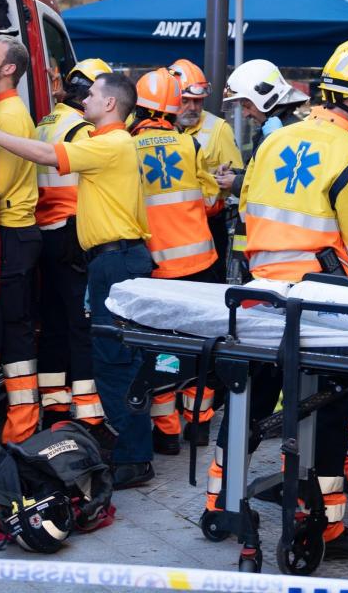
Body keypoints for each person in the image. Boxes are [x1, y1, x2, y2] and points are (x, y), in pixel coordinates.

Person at [205, 38, 348, 560]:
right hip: (323, 306)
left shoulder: (270, 143)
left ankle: (221, 503)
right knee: (329, 409)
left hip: (260, 296)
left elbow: (248, 214)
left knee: (252, 401)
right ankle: (327, 527)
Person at [0, 71, 158, 488]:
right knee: (115, 359)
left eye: (92, 94)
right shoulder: (108, 142)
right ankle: (130, 450)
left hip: (116, 262)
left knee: (115, 364)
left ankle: (132, 458)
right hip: (113, 260)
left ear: (110, 104)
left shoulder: (110, 144)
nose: (85, 99)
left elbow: (44, 155)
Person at [129, 69, 221, 456]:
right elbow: (212, 201)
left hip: (158, 267)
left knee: (161, 351)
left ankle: (166, 432)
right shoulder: (190, 145)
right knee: (204, 347)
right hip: (202, 263)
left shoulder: (126, 146)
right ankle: (198, 426)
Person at [31, 59, 112, 431]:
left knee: (52, 326)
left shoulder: (43, 123)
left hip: (42, 234)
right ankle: (89, 417)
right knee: (82, 326)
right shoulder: (80, 130)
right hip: (71, 235)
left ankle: (55, 409)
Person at [0, 35, 43, 444]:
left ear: (8, 70)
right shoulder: (3, 112)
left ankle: (20, 432)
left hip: (14, 232)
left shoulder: (9, 117)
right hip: (15, 230)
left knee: (16, 332)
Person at [168, 59, 244, 280]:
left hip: (207, 226)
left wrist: (221, 180)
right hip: (167, 227)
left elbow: (237, 180)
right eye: (186, 100)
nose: (193, 108)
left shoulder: (219, 129)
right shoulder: (155, 127)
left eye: (198, 101)